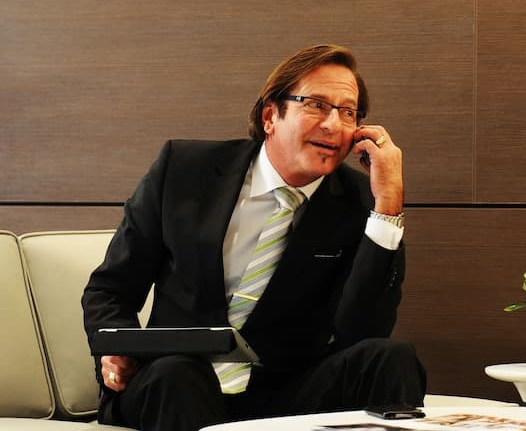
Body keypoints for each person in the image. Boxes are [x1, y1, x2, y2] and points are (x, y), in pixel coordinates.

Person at [82, 44, 426, 431]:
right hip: (175, 381)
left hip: (283, 389)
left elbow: (360, 334)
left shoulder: (361, 201)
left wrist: (387, 207)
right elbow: (110, 290)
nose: (334, 124)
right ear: (270, 116)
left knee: (390, 357)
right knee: (177, 374)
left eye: (348, 112)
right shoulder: (184, 169)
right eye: (316, 105)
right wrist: (116, 350)